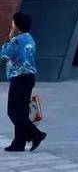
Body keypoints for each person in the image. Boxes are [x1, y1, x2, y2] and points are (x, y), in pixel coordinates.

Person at [1, 12, 47, 152]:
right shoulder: (29, 38)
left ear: (17, 25)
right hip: (28, 77)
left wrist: (9, 39)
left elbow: (4, 54)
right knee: (21, 111)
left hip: (19, 78)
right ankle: (19, 142)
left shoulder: (17, 40)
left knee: (13, 111)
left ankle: (36, 134)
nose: (12, 25)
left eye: (13, 22)